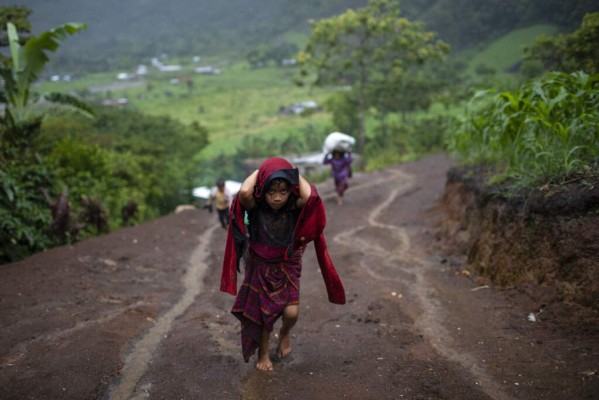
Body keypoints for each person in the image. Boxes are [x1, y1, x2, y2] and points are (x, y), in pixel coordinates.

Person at [220, 157, 345, 371]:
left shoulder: (293, 208)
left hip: (287, 264)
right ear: (263, 191)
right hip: (260, 265)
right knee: (264, 314)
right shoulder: (255, 207)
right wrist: (262, 170)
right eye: (271, 192)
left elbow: (310, 196)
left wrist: (291, 172)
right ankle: (263, 354)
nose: (277, 198)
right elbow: (243, 193)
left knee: (291, 313)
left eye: (283, 191)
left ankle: (285, 333)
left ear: (290, 191)